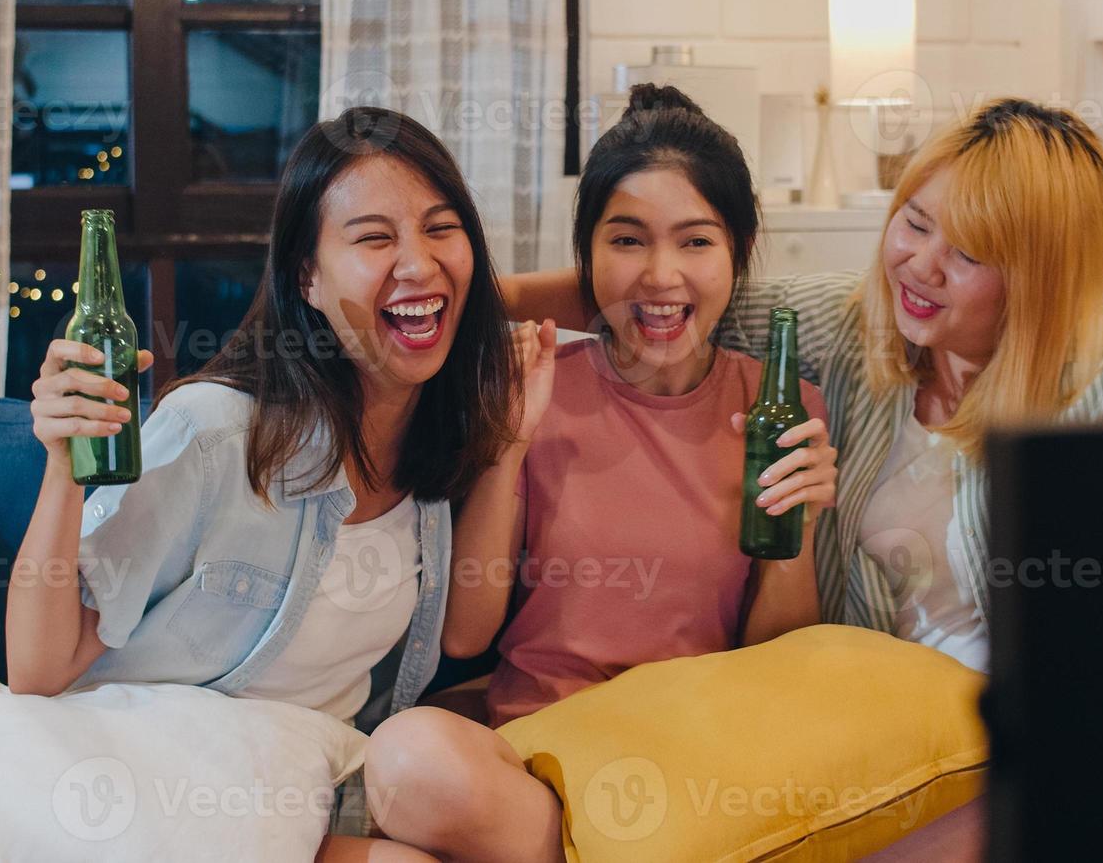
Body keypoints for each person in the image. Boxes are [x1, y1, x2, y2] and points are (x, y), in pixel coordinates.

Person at [500, 78, 1103, 675]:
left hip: (1013, 753)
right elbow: (669, 287)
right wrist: (470, 297)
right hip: (864, 731)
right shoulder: (854, 327)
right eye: (914, 222)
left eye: (969, 253)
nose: (921, 266)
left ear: (1036, 278)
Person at [3, 108, 520, 862]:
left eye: (442, 229)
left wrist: (513, 434)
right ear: (306, 278)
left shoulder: (437, 438)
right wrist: (62, 466)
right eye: (375, 238)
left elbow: (606, 295)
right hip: (161, 782)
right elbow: (38, 668)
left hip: (314, 790)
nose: (418, 263)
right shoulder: (216, 433)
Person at [360, 84, 839, 863]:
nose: (659, 276)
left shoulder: (780, 405)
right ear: (587, 255)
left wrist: (799, 521)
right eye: (626, 241)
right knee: (408, 758)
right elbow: (466, 631)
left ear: (739, 252)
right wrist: (508, 445)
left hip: (697, 760)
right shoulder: (535, 382)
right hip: (539, 755)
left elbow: (779, 663)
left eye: (694, 242)